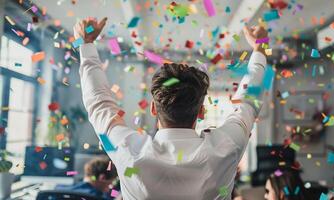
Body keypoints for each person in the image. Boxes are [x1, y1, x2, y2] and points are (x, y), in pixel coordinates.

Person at [74, 17, 268, 199]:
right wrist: (260, 47)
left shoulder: (129, 150)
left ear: (153, 109)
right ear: (202, 112)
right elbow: (249, 101)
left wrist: (85, 45)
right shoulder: (225, 147)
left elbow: (98, 104)